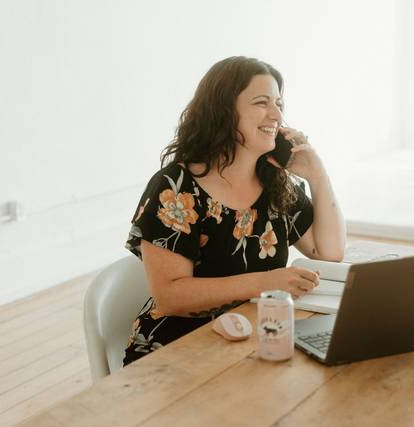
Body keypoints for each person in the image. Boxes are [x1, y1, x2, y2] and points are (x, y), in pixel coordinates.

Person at [122, 56, 346, 365]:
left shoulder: (274, 182)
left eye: (279, 103)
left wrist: (318, 176)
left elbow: (329, 250)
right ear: (224, 112)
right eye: (261, 102)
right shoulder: (175, 187)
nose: (276, 114)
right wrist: (266, 282)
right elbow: (170, 297)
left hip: (253, 337)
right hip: (175, 348)